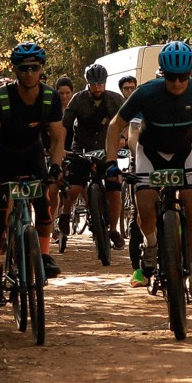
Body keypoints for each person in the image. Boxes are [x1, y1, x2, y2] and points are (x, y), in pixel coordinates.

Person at [106, 40, 192, 307]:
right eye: (171, 77)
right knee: (145, 207)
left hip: (183, 153)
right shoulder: (146, 93)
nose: (177, 83)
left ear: (190, 74)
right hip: (150, 153)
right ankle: (151, 244)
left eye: (183, 77)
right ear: (163, 74)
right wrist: (112, 163)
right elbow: (115, 126)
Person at [0, 42, 68, 292]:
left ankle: (44, 256)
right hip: (4, 158)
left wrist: (55, 166)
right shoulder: (1, 98)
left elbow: (57, 138)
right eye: (23, 68)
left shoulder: (50, 97)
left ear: (42, 69)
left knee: (44, 207)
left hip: (32, 155)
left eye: (34, 68)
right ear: (15, 70)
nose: (29, 73)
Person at [65, 59, 126, 264]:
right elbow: (65, 125)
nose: (97, 88)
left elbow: (127, 121)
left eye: (101, 84)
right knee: (74, 187)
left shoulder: (115, 99)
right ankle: (65, 214)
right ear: (88, 83)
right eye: (94, 84)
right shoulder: (78, 99)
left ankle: (113, 229)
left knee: (114, 187)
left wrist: (123, 139)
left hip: (108, 149)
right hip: (81, 148)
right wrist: (62, 149)